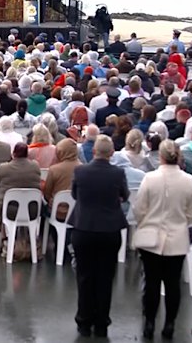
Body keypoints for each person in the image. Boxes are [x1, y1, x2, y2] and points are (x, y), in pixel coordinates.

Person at [133, 140, 192, 339]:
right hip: (177, 238)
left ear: (160, 156)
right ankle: (170, 323)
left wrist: (146, 222)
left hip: (151, 236)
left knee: (151, 283)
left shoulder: (149, 178)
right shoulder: (189, 180)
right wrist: (179, 222)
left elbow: (139, 209)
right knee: (173, 284)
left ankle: (149, 322)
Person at [68, 135, 129, 338]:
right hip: (110, 230)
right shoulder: (118, 173)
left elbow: (75, 195)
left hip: (84, 227)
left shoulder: (80, 171)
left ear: (94, 151)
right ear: (112, 153)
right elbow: (125, 195)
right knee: (105, 277)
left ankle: (84, 321)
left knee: (84, 276)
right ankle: (102, 322)